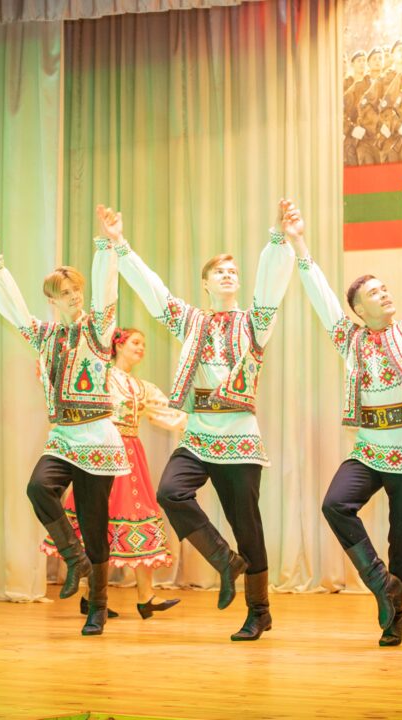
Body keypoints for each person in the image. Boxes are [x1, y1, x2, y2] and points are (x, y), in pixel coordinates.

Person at [106, 201, 295, 641]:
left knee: (247, 526)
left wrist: (277, 236)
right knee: (171, 492)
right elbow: (154, 292)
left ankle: (259, 611)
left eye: (233, 271)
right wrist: (120, 245)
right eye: (219, 272)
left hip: (240, 436)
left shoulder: (254, 322)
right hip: (199, 432)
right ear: (205, 284)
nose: (228, 275)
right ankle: (224, 561)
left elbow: (271, 286)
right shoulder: (191, 321)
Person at [289, 198, 402, 647]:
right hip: (371, 449)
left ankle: (396, 615)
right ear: (357, 308)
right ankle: (380, 581)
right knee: (336, 504)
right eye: (374, 293)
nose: (385, 294)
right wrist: (298, 243)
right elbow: (321, 297)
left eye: (385, 288)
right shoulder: (350, 339)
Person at [0, 205, 130, 636]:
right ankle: (73, 558)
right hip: (64, 437)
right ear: (53, 299)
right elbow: (14, 310)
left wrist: (107, 247)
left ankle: (97, 607)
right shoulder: (45, 336)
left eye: (77, 289)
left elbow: (106, 294)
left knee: (94, 523)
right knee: (38, 488)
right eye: (66, 292)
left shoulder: (98, 329)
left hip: (97, 437)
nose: (75, 296)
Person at [42, 327, 187, 619]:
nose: (141, 348)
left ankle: (145, 596)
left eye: (144, 344)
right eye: (135, 342)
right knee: (99, 520)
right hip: (103, 453)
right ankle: (93, 596)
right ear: (118, 345)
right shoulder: (102, 377)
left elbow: (168, 412)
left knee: (140, 518)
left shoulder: (141, 387)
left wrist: (202, 424)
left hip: (131, 457)